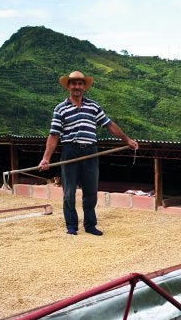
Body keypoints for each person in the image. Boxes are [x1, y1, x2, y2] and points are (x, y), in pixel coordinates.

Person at [39, 70, 138, 235]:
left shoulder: (93, 106)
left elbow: (108, 124)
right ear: (68, 86)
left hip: (90, 151)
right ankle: (71, 225)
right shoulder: (60, 109)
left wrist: (126, 140)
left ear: (84, 87)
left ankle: (90, 225)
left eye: (80, 83)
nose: (77, 86)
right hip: (70, 151)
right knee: (69, 191)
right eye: (73, 83)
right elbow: (54, 135)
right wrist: (45, 159)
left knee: (91, 190)